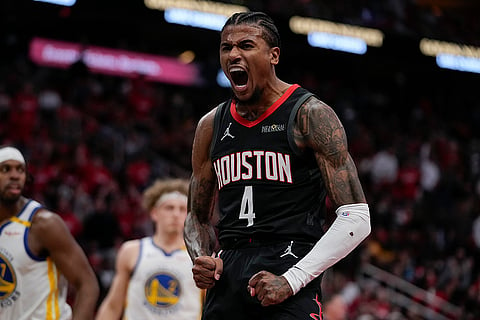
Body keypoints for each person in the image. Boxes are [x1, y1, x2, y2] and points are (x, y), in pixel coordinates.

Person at [184, 11, 371, 320]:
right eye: (226, 47)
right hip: (228, 272)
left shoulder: (309, 115)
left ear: (273, 55)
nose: (233, 54)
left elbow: (357, 217)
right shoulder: (210, 125)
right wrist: (202, 257)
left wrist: (292, 279)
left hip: (289, 264)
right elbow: (197, 217)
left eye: (246, 45)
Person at [0, 145, 99, 320]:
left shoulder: (43, 224)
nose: (15, 176)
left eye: (20, 170)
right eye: (5, 169)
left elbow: (87, 285)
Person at [95, 178, 203, 320]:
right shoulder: (132, 251)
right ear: (154, 213)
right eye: (169, 208)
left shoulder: (201, 256)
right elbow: (112, 306)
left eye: (182, 209)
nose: (176, 214)